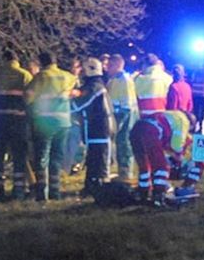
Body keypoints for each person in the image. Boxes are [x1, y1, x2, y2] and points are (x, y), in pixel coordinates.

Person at [26, 52, 77, 201]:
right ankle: (56, 192)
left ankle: (43, 193)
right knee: (57, 157)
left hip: (45, 123)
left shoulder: (41, 77)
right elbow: (74, 86)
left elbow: (28, 96)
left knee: (42, 158)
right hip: (63, 123)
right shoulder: (67, 76)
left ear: (41, 63)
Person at [129, 109, 200, 206]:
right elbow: (176, 144)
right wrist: (178, 155)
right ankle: (159, 195)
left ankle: (143, 192)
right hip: (150, 131)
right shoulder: (184, 121)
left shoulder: (172, 115)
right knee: (161, 166)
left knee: (144, 166)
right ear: (191, 124)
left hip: (136, 129)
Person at [0, 49, 32, 200]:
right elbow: (30, 97)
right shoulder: (24, 75)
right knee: (19, 155)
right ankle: (18, 190)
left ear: (3, 59)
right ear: (16, 60)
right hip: (18, 120)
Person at [71, 57, 114, 195]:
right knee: (93, 158)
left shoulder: (95, 87)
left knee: (100, 159)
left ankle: (101, 188)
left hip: (101, 128)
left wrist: (63, 105)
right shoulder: (94, 85)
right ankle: (92, 186)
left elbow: (79, 104)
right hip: (95, 128)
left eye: (83, 70)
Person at [106, 54, 138, 181]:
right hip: (117, 115)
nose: (107, 68)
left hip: (124, 116)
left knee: (124, 144)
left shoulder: (123, 79)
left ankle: (126, 172)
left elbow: (126, 103)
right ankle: (123, 172)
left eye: (110, 65)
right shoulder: (114, 79)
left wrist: (119, 121)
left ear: (118, 65)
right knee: (120, 144)